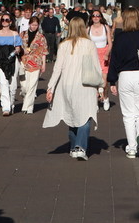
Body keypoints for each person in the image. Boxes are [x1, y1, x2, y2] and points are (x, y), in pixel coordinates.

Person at [43, 18, 104, 160]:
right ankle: (80, 147)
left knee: (72, 115)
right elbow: (96, 67)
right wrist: (100, 88)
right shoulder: (89, 44)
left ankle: (73, 146)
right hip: (85, 85)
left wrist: (50, 87)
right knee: (86, 115)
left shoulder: (63, 45)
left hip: (67, 84)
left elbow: (57, 68)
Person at [107, 7, 139, 159]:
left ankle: (131, 147)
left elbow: (114, 60)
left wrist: (112, 80)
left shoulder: (120, 38)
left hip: (125, 76)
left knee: (128, 114)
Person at [0, 14, 23, 116]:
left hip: (12, 61)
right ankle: (6, 107)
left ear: (10, 22)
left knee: (12, 85)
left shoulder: (14, 34)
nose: (4, 21)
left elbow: (18, 48)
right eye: (3, 20)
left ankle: (11, 104)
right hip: (0, 61)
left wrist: (12, 54)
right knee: (3, 83)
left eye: (7, 20)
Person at [19, 16, 48, 114]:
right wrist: (22, 51)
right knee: (24, 86)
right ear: (29, 24)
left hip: (36, 62)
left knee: (32, 86)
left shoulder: (41, 37)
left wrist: (44, 64)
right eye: (32, 25)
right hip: (24, 62)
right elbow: (17, 46)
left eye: (36, 25)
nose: (34, 27)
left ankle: (28, 107)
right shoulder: (22, 34)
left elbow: (44, 51)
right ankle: (26, 100)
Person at [87, 11, 113, 111]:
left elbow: (110, 43)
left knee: (104, 81)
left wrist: (107, 54)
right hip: (93, 55)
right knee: (94, 81)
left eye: (98, 16)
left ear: (101, 17)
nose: (96, 17)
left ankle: (105, 98)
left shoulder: (106, 27)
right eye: (94, 16)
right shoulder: (88, 29)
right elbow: (86, 44)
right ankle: (95, 102)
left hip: (104, 54)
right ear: (91, 18)